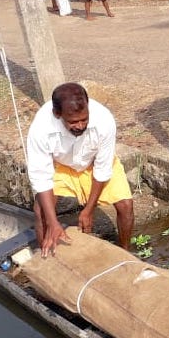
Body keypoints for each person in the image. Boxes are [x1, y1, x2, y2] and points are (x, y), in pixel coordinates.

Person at [26, 82, 135, 256]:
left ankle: (126, 253)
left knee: (126, 205)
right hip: (61, 166)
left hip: (93, 163)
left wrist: (88, 210)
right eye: (73, 122)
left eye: (84, 119)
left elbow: (103, 168)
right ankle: (45, 258)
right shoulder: (40, 128)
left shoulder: (104, 120)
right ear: (57, 114)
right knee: (41, 212)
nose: (80, 126)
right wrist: (54, 223)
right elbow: (41, 177)